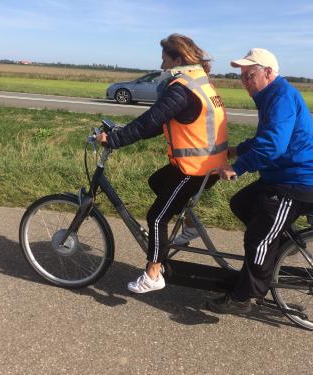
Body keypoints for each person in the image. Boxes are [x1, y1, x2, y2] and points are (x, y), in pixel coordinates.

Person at [97, 34, 228, 293]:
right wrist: (124, 132)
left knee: (156, 217)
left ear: (177, 58)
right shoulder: (200, 81)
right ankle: (189, 226)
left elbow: (151, 121)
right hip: (208, 163)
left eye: (164, 57)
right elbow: (166, 122)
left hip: (195, 168)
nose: (161, 63)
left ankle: (153, 274)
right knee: (156, 181)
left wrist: (114, 139)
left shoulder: (181, 88)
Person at [206, 48, 313, 314]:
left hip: (294, 183)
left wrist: (237, 167)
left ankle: (244, 297)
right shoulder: (272, 95)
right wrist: (238, 149)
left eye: (250, 75)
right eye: (242, 77)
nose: (245, 82)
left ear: (268, 73)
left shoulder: (281, 97)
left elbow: (273, 146)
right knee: (241, 202)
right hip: (281, 177)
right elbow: (265, 137)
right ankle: (277, 245)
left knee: (257, 240)